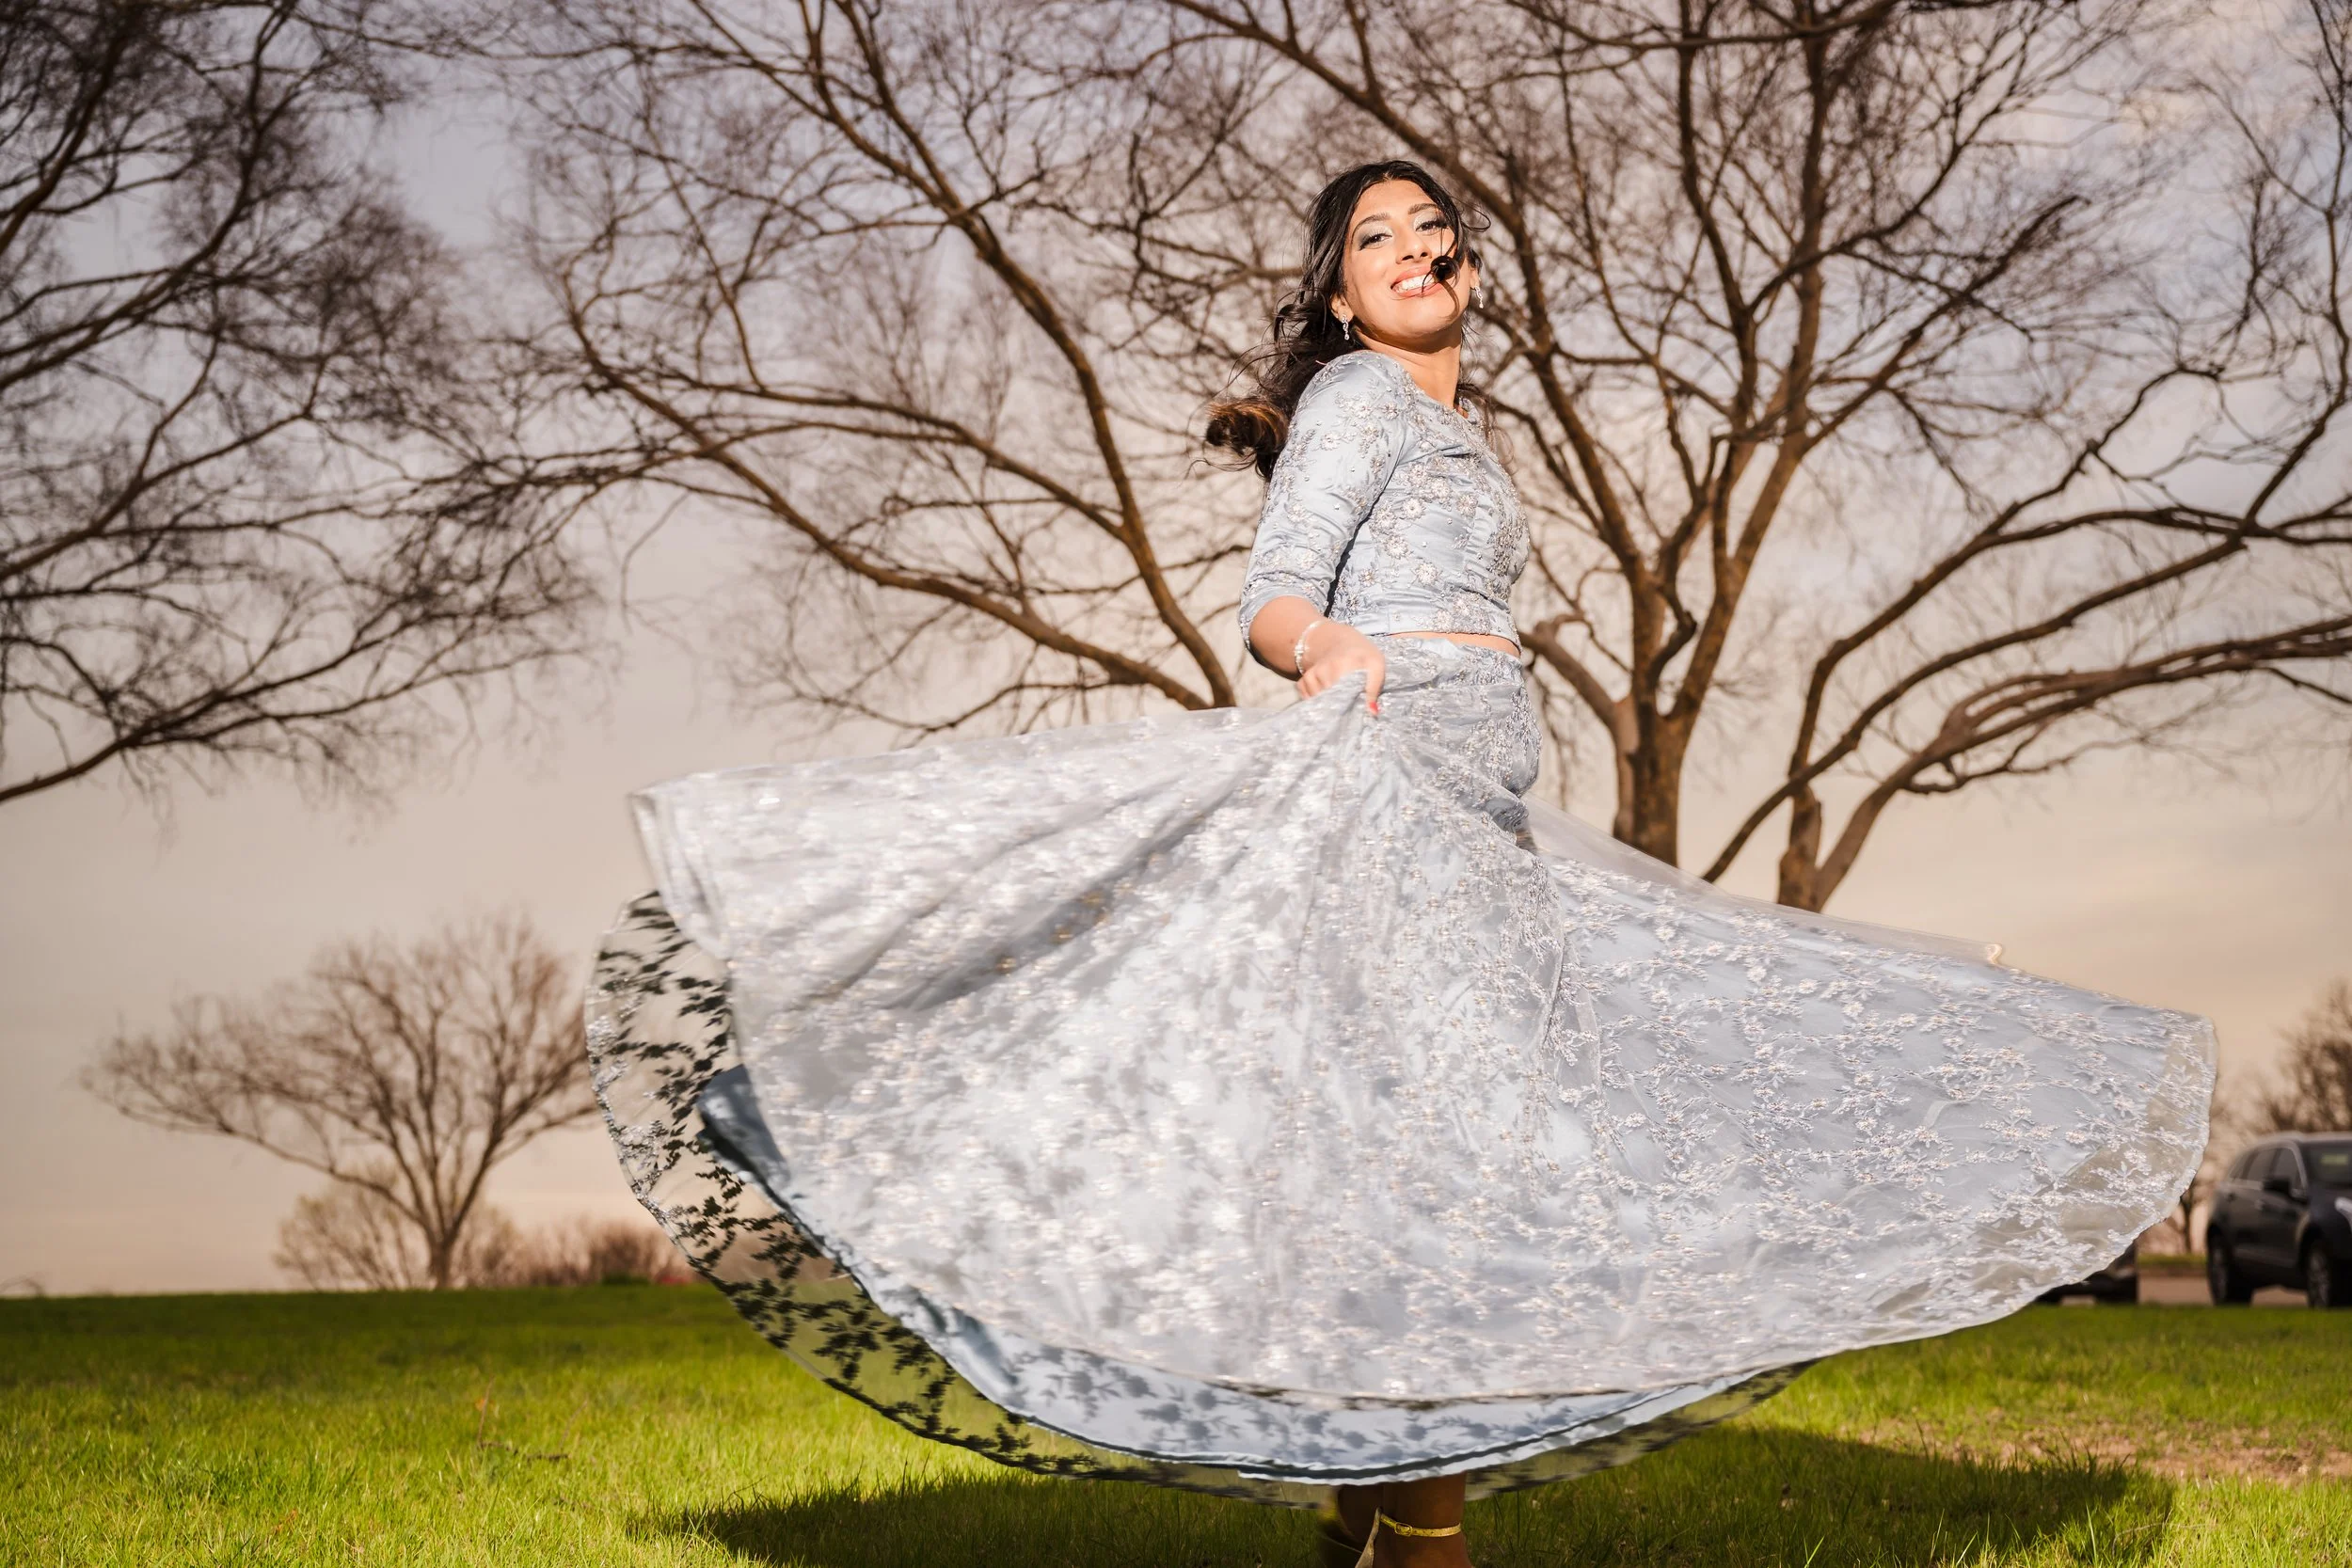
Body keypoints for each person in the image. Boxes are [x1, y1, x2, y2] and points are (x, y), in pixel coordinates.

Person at [588, 161, 2214, 1568]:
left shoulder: (1457, 429)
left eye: (1430, 226)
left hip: (1477, 821)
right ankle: (1428, 1537)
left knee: (1428, 1168)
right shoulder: (1360, 401)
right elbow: (1273, 594)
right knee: (1450, 1176)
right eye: (1375, 237)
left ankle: (1358, 1513)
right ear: (1343, 299)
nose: (1414, 244)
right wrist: (1332, 647)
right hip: (1394, 804)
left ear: (1467, 270)